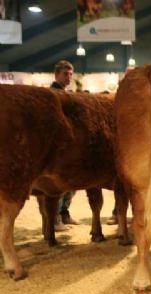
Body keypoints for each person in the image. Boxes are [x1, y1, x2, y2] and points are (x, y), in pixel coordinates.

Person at [50, 60, 79, 231]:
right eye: (65, 74)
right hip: (57, 144)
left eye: (70, 74)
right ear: (56, 74)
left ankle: (64, 213)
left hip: (68, 143)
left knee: (71, 182)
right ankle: (55, 219)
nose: (69, 77)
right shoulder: (52, 93)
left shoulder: (65, 93)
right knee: (58, 183)